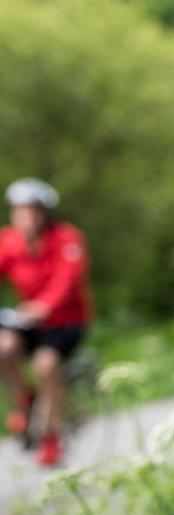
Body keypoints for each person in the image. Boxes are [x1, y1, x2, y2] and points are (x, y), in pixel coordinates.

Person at [1, 178, 92, 465]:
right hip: (29, 321)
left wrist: (44, 305)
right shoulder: (9, 241)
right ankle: (26, 401)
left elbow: (69, 279)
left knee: (46, 365)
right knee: (3, 347)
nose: (26, 218)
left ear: (44, 214)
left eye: (33, 211)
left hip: (65, 322)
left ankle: (52, 437)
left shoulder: (67, 238)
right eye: (20, 211)